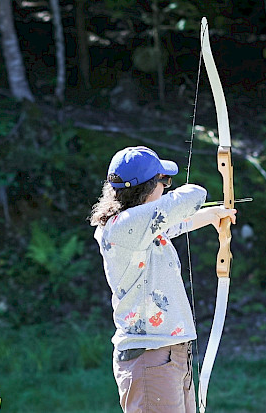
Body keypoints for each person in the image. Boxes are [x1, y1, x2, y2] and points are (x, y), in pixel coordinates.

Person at [88, 146, 237, 413]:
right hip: (150, 357)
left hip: (170, 354)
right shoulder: (123, 228)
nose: (167, 187)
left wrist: (211, 216)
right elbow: (192, 196)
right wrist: (198, 205)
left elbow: (174, 223)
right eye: (163, 181)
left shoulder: (141, 227)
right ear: (146, 188)